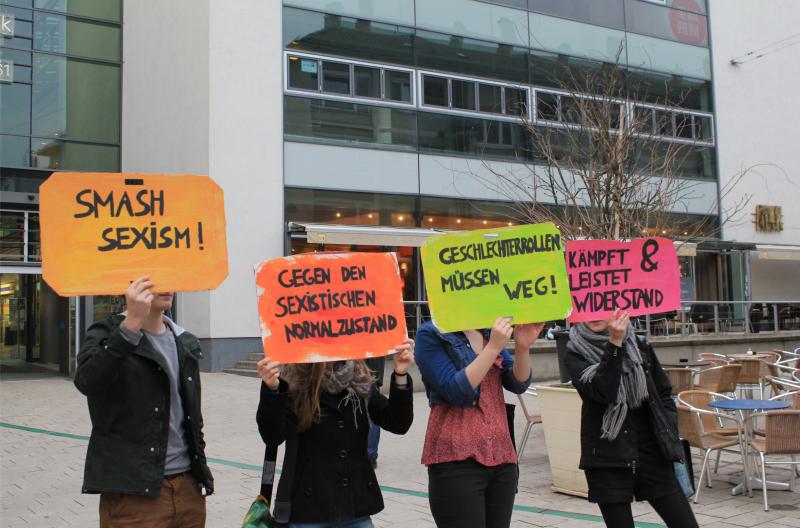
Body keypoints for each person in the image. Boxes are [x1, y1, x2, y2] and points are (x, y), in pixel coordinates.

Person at [74, 276, 213, 527]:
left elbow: (192, 416)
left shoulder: (184, 341)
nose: (168, 285)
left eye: (170, 276)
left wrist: (198, 476)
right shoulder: (106, 332)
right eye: (156, 278)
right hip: (133, 494)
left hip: (188, 490)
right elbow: (87, 381)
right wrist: (131, 326)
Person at [256, 338, 415, 528]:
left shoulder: (359, 380)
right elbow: (272, 436)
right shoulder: (296, 382)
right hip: (308, 510)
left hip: (354, 508)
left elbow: (398, 423)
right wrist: (271, 390)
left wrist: (401, 374)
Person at [564, 310, 699, 528]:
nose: (594, 314)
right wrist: (615, 344)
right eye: (587, 306)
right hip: (608, 456)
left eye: (601, 306)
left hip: (651, 452)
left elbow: (663, 392)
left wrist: (669, 428)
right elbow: (603, 392)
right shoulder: (575, 352)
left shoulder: (639, 345)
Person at [414, 317, 542, 528]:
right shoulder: (431, 334)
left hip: (501, 456)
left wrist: (522, 347)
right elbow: (454, 390)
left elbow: (518, 383)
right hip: (456, 459)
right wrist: (492, 348)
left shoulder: (487, 331)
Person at [363, 356, 386, 469]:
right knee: (372, 415)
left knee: (371, 415)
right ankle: (370, 454)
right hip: (373, 373)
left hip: (365, 373)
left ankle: (369, 454)